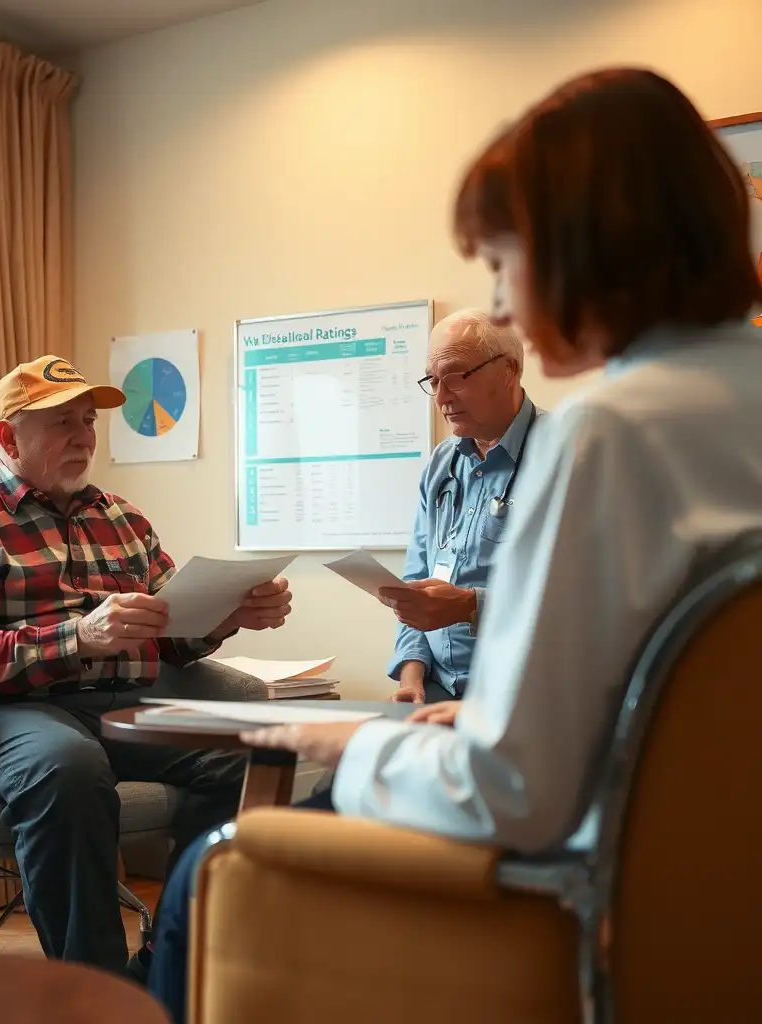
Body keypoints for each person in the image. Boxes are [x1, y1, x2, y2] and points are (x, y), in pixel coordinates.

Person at [146, 66, 762, 1020]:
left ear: (582, 247)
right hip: (724, 907)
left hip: (588, 903)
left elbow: (512, 796)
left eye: (503, 261)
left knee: (204, 875)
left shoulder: (608, 437)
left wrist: (351, 752)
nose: (506, 304)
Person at [0, 355, 292, 975]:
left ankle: (177, 959)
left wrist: (228, 614)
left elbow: (172, 633)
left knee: (251, 752)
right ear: (9, 438)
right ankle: (94, 988)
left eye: (88, 421)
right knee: (68, 767)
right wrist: (78, 637)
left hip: (125, 703)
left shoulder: (120, 518)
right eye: (62, 423)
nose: (85, 437)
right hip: (14, 711)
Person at [385, 308, 540, 705]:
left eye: (455, 378)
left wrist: (471, 606)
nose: (441, 398)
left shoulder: (561, 458)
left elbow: (577, 599)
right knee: (345, 766)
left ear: (510, 369)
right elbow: (416, 580)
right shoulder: (441, 464)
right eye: (433, 382)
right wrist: (411, 677)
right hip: (435, 691)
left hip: (522, 697)